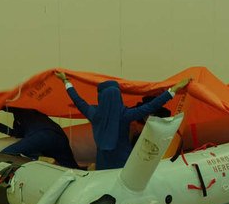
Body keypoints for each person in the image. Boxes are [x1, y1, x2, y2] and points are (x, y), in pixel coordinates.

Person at [55, 71, 189, 170]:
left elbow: (78, 101)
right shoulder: (125, 115)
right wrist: (174, 90)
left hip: (103, 166)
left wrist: (66, 81)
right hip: (125, 165)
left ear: (100, 97)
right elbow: (150, 106)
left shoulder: (94, 114)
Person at [0, 108, 80, 169]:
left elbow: (6, 106)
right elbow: (16, 133)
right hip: (58, 136)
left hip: (42, 136)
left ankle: (41, 159)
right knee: (71, 167)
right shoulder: (24, 116)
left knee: (6, 154)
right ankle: (88, 170)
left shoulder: (23, 108)